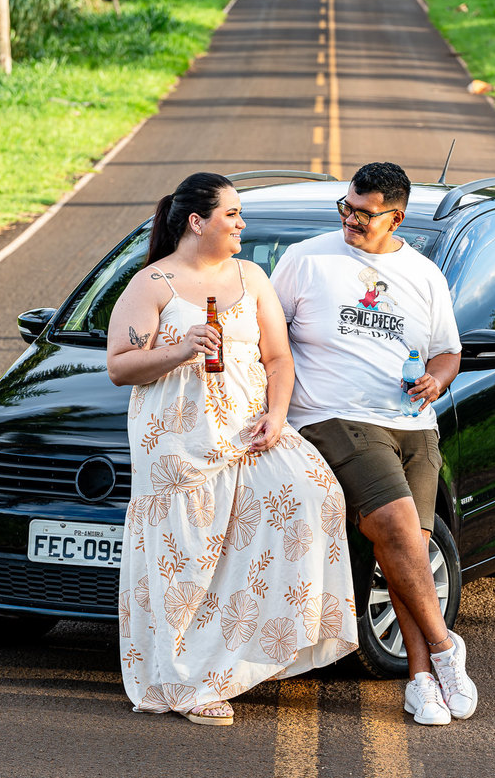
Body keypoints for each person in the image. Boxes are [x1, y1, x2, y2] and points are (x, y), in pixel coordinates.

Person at [106, 172, 358, 727]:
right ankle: (190, 681)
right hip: (176, 441)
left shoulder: (251, 276)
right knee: (189, 558)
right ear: (197, 222)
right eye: (232, 215)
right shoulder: (152, 283)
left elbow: (278, 359)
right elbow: (120, 366)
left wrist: (277, 413)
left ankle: (246, 652)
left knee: (313, 495)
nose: (242, 224)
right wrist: (180, 350)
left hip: (249, 430)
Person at [270, 162, 477, 726]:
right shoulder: (306, 259)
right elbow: (268, 338)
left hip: (413, 425)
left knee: (404, 552)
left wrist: (438, 379)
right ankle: (445, 648)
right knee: (394, 526)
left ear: (397, 217)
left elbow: (446, 350)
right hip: (333, 417)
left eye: (364, 213)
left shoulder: (424, 275)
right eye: (346, 207)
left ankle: (419, 682)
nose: (351, 220)